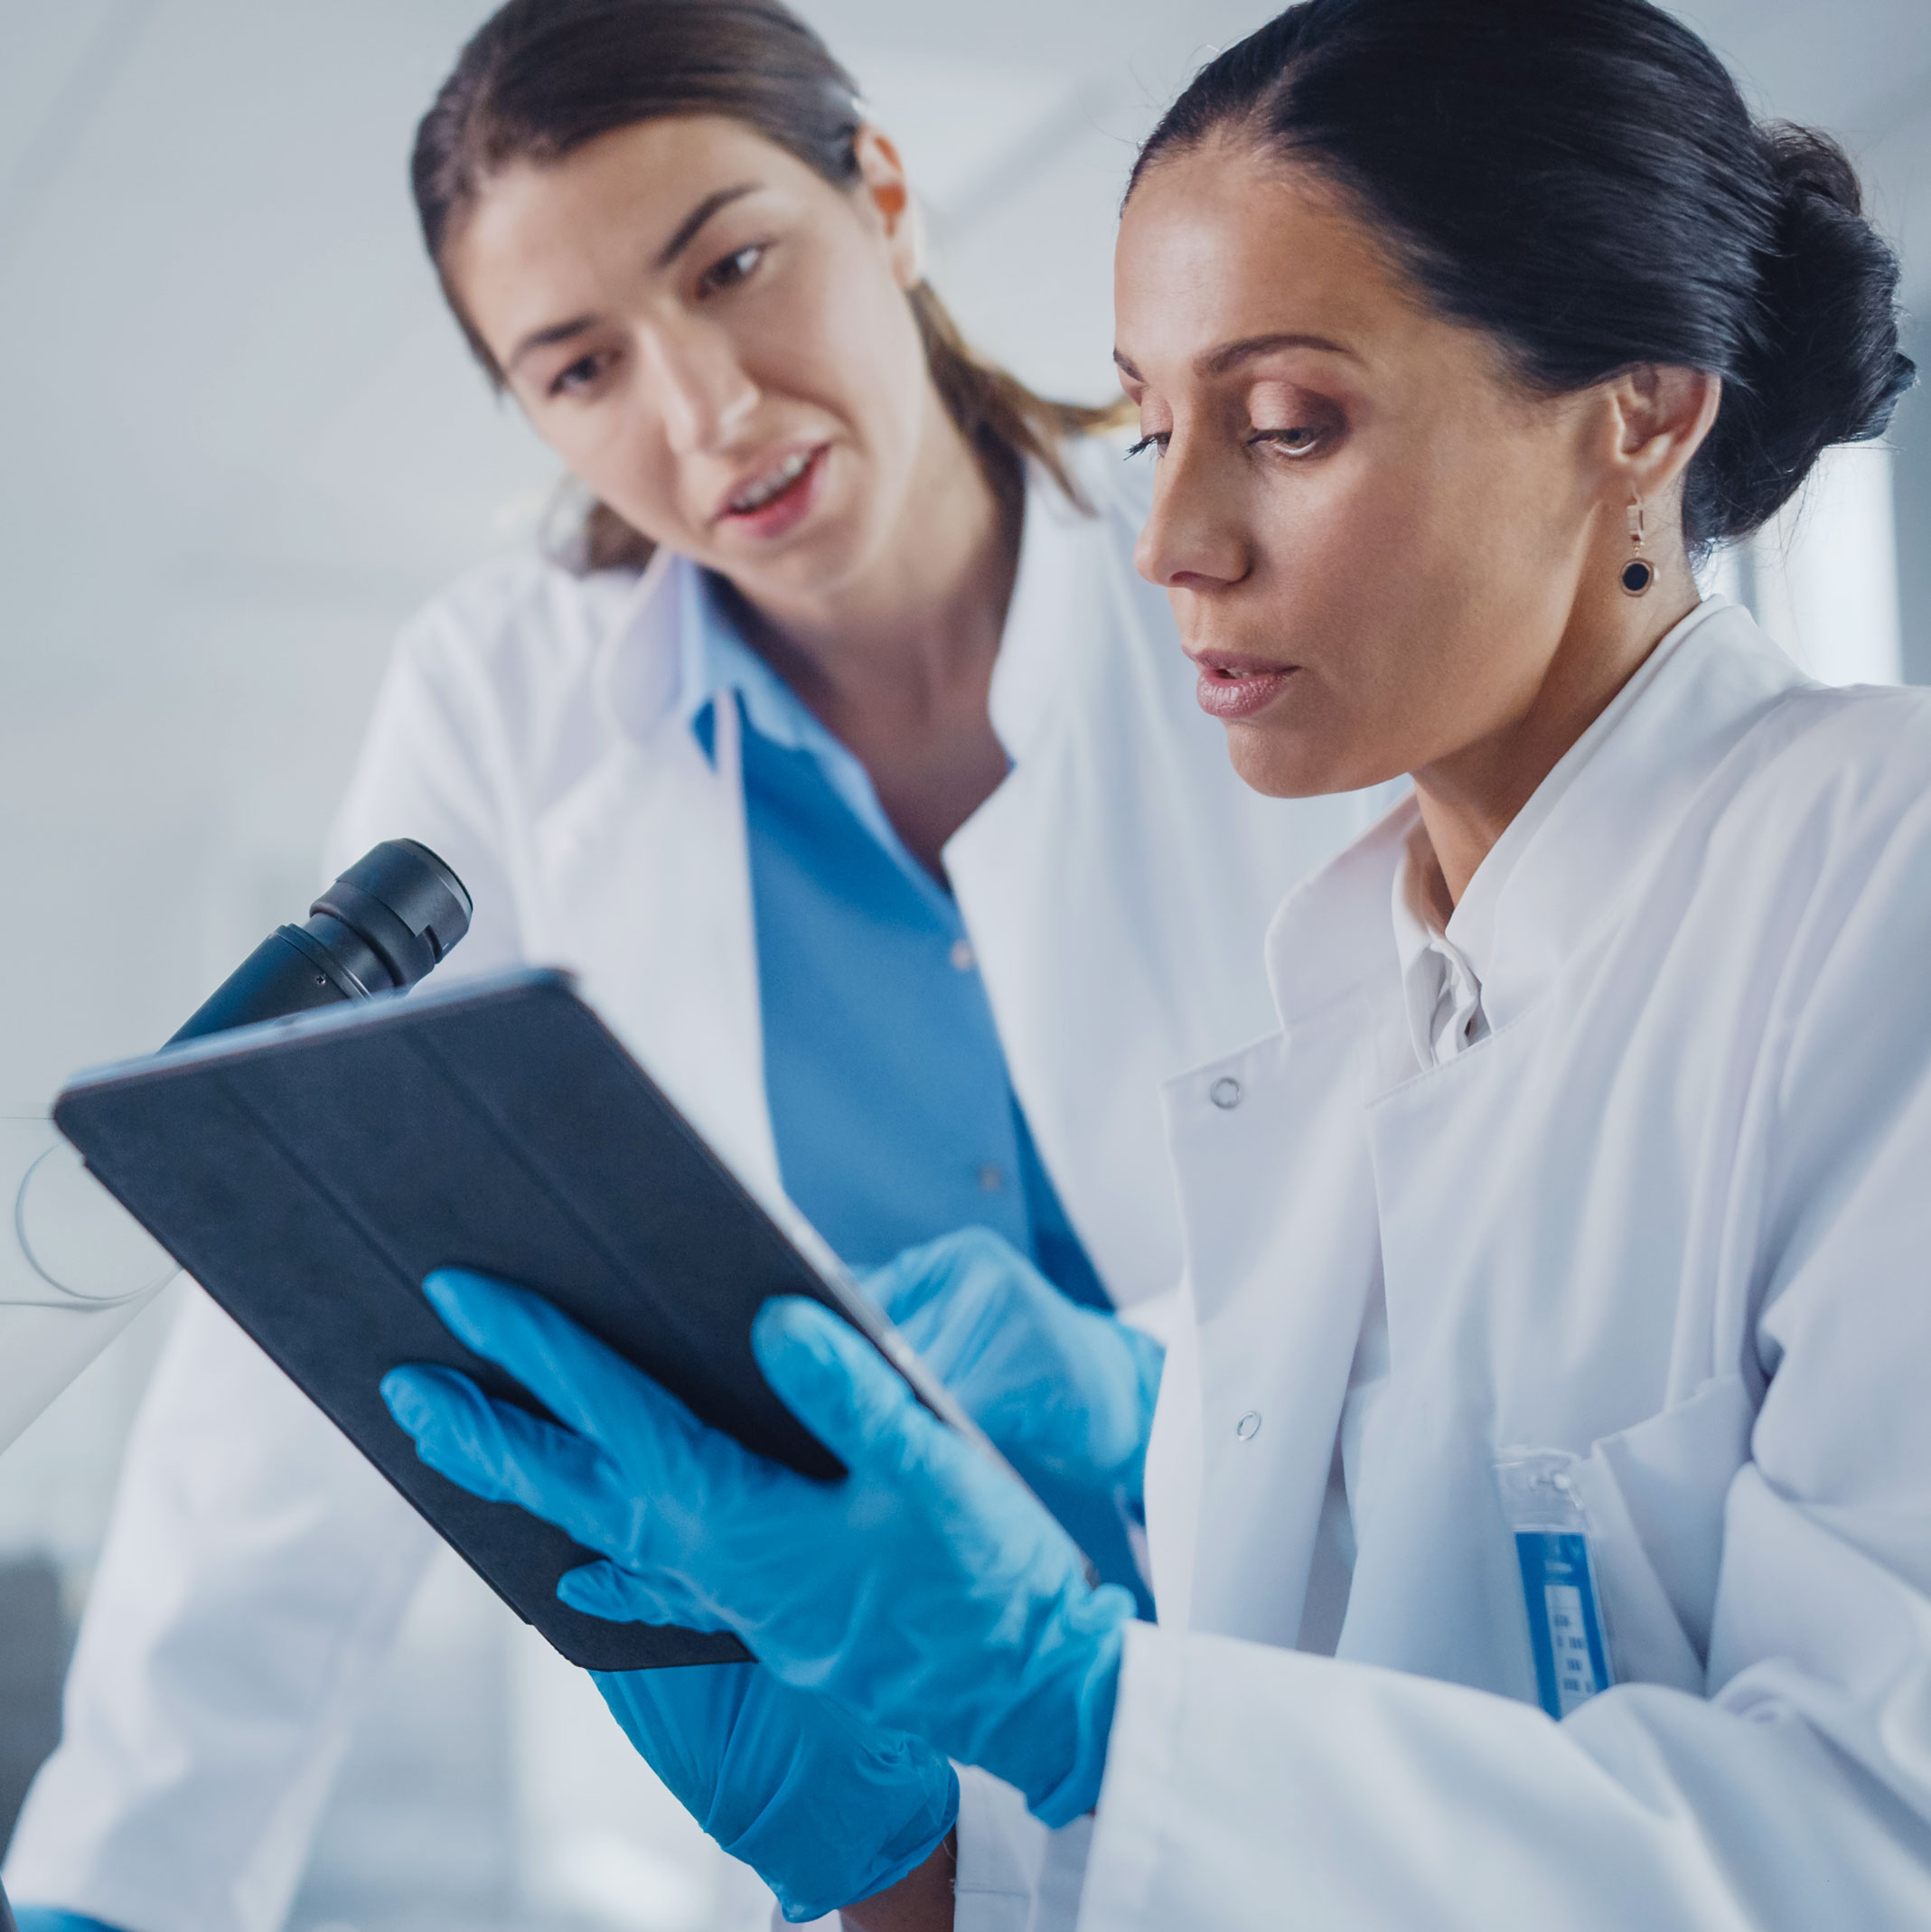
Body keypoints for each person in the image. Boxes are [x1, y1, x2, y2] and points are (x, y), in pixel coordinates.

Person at [375, 0, 1931, 1927]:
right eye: (1149, 423)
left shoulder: (1880, 874)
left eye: (1288, 424)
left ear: (1639, 407)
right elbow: (1263, 1828)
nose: (1170, 535)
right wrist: (912, 1848)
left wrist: (1072, 1707)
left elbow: (1871, 1846)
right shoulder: (1352, 1000)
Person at [2, 5, 1387, 1930]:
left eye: (734, 265)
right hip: (881, 1828)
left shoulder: (1231, 572)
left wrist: (1172, 1392)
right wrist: (120, 1877)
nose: (706, 409)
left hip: (1341, 1732)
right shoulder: (506, 702)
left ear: (879, 196)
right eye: (581, 369)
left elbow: (1489, 1213)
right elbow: (313, 1315)